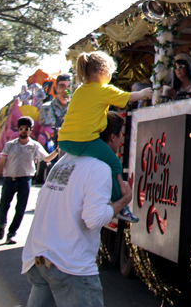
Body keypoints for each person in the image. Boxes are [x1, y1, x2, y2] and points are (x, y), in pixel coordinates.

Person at [22, 112, 132, 307]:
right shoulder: (100, 168)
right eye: (121, 134)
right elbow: (94, 219)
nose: (121, 139)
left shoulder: (64, 161)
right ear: (113, 137)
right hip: (69, 264)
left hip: (39, 257)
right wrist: (124, 201)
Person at [60, 51, 152, 223]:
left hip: (64, 141)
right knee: (114, 164)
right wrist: (144, 93)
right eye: (111, 73)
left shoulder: (80, 90)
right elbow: (128, 98)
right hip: (84, 140)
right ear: (103, 72)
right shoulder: (103, 89)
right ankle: (120, 205)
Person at [0, 116, 59, 244]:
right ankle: (2, 225)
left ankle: (11, 233)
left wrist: (57, 150)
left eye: (26, 129)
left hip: (25, 181)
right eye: (21, 129)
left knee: (20, 209)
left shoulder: (35, 146)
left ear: (30, 130)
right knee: (3, 206)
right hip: (9, 180)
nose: (23, 131)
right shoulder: (9, 145)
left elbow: (46, 159)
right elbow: (1, 164)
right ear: (18, 129)